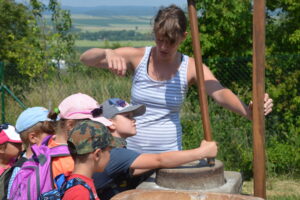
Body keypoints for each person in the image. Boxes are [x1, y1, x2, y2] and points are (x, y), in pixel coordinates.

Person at [80, 4, 274, 154]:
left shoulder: (190, 67)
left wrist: (248, 112)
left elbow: (219, 92)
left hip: (171, 156)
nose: (164, 47)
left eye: (171, 41)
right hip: (133, 155)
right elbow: (86, 59)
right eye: (159, 39)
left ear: (184, 37)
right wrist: (107, 51)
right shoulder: (138, 57)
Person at [93, 97, 217, 200]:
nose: (134, 120)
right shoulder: (114, 152)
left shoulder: (110, 147)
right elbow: (159, 159)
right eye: (127, 116)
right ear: (111, 123)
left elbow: (134, 170)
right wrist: (201, 152)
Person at [7, 107, 56, 199]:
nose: (55, 136)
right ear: (33, 137)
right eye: (51, 132)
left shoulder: (49, 161)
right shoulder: (19, 170)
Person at [63, 120, 113, 200]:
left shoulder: (81, 184)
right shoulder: (80, 193)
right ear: (97, 154)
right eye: (109, 151)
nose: (110, 156)